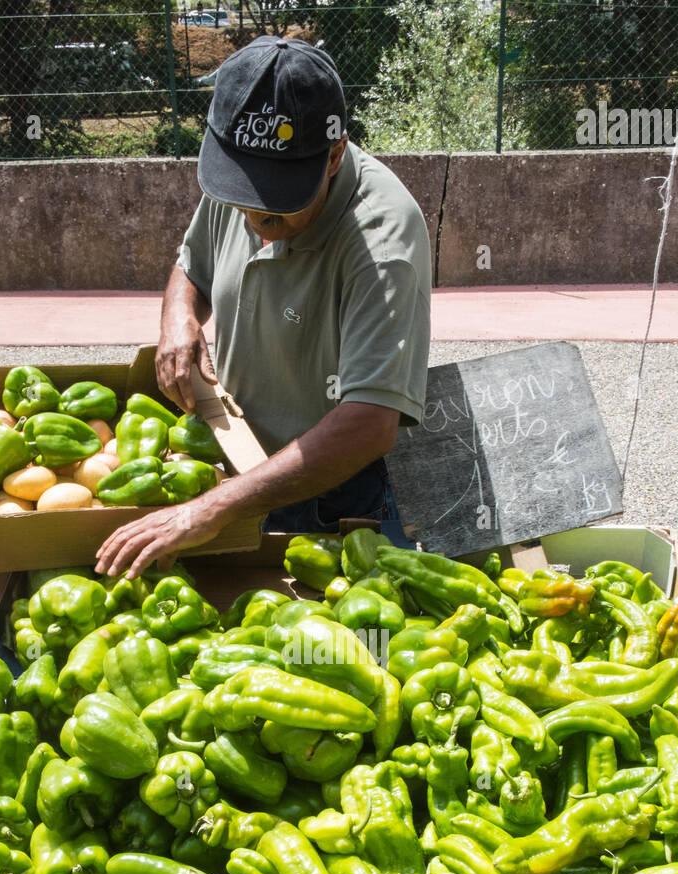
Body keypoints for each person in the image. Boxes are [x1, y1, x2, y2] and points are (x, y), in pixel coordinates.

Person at [96, 34, 431, 580]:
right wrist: (178, 318)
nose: (253, 219)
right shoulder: (246, 176)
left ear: (334, 154)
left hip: (324, 498)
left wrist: (210, 510)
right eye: (241, 196)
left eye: (275, 209)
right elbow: (192, 265)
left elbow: (371, 422)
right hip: (228, 458)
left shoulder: (382, 242)